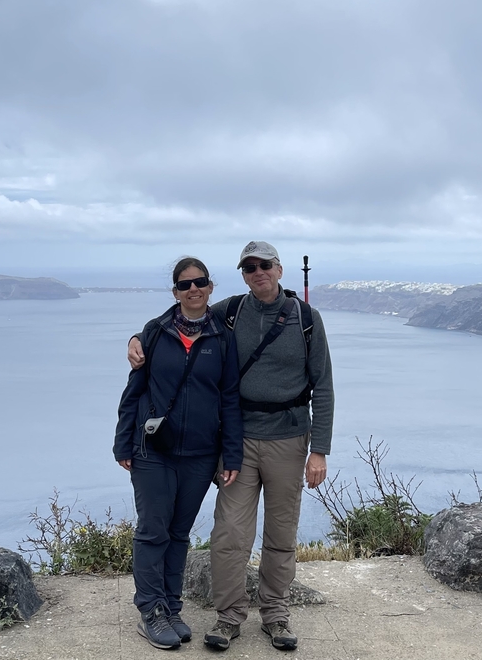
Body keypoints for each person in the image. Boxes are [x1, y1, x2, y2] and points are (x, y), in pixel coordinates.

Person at [128, 241, 334, 652]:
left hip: (290, 438)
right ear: (242, 274)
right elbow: (183, 319)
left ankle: (275, 614)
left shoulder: (306, 319)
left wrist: (319, 450)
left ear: (279, 269)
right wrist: (137, 337)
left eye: (264, 265)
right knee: (230, 534)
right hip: (236, 440)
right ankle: (229, 616)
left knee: (281, 533)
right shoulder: (231, 310)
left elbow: (323, 386)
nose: (257, 272)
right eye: (249, 267)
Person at [114, 257, 243, 651]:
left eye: (200, 282)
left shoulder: (222, 337)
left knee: (179, 534)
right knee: (153, 530)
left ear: (210, 287)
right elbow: (134, 390)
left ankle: (171, 607)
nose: (193, 290)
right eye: (185, 285)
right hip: (153, 449)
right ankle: (150, 610)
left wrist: (232, 455)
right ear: (175, 292)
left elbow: (230, 400)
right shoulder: (155, 332)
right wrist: (122, 442)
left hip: (201, 454)